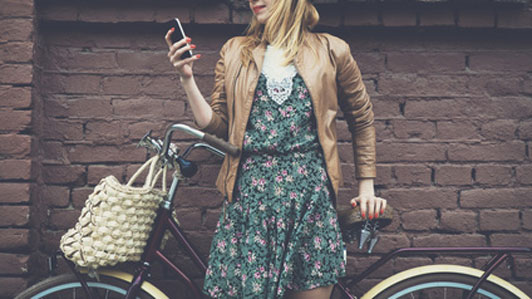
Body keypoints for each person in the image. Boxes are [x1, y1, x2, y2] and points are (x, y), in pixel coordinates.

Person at [165, 0, 386, 298]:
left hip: (310, 201)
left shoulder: (333, 50)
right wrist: (187, 78)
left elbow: (362, 118)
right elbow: (219, 127)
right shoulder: (234, 51)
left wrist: (367, 186)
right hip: (250, 202)